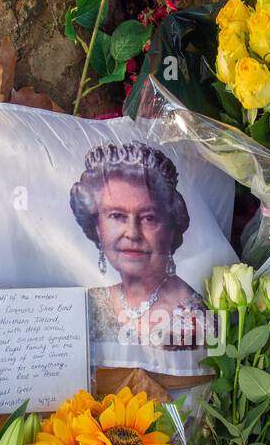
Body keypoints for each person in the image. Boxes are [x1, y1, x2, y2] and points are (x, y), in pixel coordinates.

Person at [71, 142, 206, 353]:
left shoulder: (190, 313)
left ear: (171, 228)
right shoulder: (90, 302)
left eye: (149, 218)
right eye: (117, 216)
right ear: (96, 226)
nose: (132, 233)